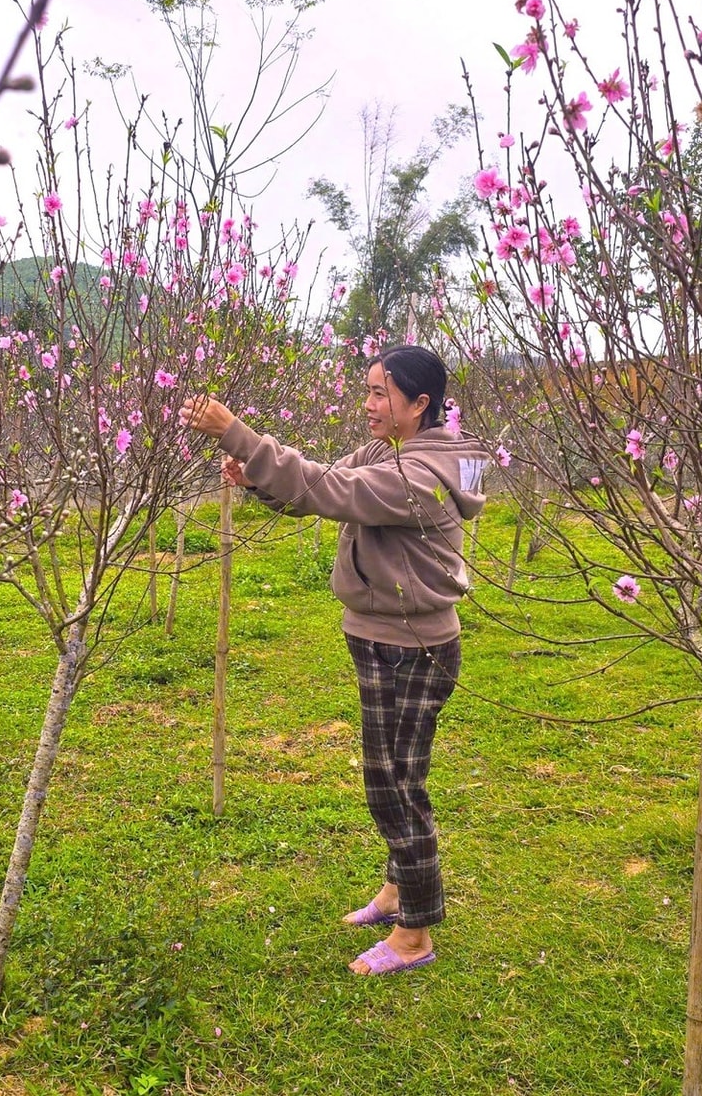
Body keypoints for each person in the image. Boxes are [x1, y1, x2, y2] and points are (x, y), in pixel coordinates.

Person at [181, 343, 487, 977]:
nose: (368, 404)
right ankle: (400, 887)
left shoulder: (426, 474)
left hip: (412, 647)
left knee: (393, 785)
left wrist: (239, 433)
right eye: (368, 389)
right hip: (383, 636)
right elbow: (320, 486)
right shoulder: (389, 451)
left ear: (420, 404)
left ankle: (415, 933)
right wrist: (260, 477)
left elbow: (335, 488)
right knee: (399, 773)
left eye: (381, 393)